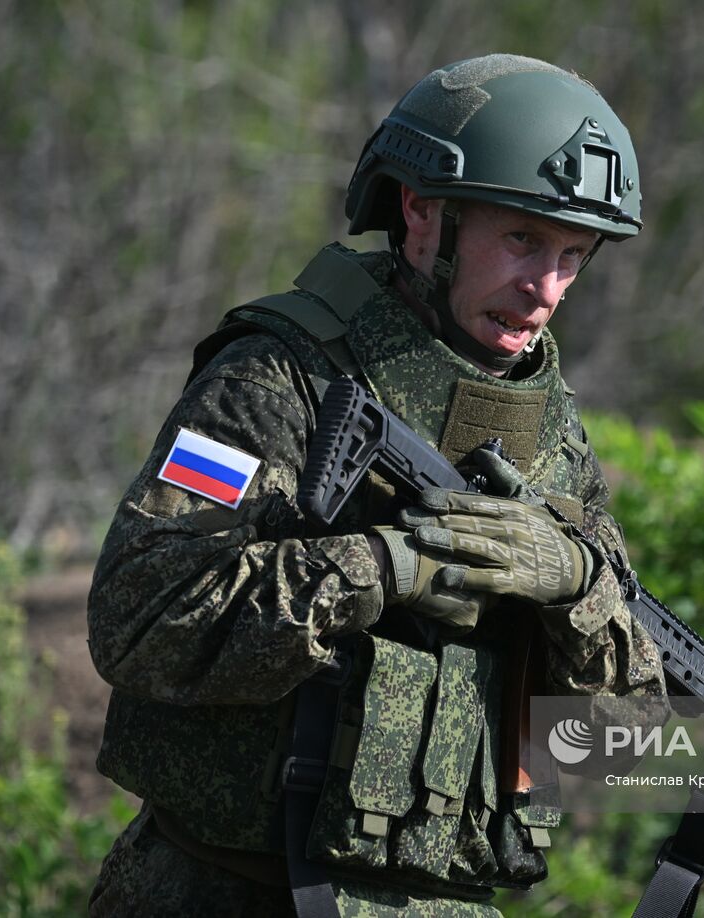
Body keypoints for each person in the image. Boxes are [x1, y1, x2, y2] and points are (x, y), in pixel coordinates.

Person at [86, 53, 666, 917]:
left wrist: (573, 587)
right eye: (521, 240)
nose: (545, 289)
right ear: (424, 213)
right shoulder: (276, 380)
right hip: (224, 890)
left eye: (574, 255)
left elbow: (624, 743)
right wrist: (385, 568)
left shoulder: (554, 441)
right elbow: (140, 618)